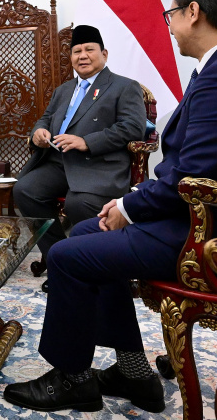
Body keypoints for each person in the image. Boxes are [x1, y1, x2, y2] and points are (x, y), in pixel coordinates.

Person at [3, 0, 217, 414]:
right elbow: (191, 168)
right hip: (200, 213)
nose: (170, 24)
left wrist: (130, 206)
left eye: (170, 14)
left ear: (193, 12)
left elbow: (191, 174)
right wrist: (130, 204)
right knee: (82, 236)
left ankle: (73, 379)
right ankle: (135, 373)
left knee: (66, 254)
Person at [14, 25, 146, 292]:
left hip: (97, 165)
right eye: (77, 51)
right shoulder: (63, 90)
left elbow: (133, 127)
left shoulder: (124, 87)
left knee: (78, 204)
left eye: (89, 50)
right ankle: (58, 260)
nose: (82, 56)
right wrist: (38, 132)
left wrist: (87, 142)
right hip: (58, 162)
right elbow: (46, 118)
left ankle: (105, 265)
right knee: (25, 190)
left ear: (104, 54)